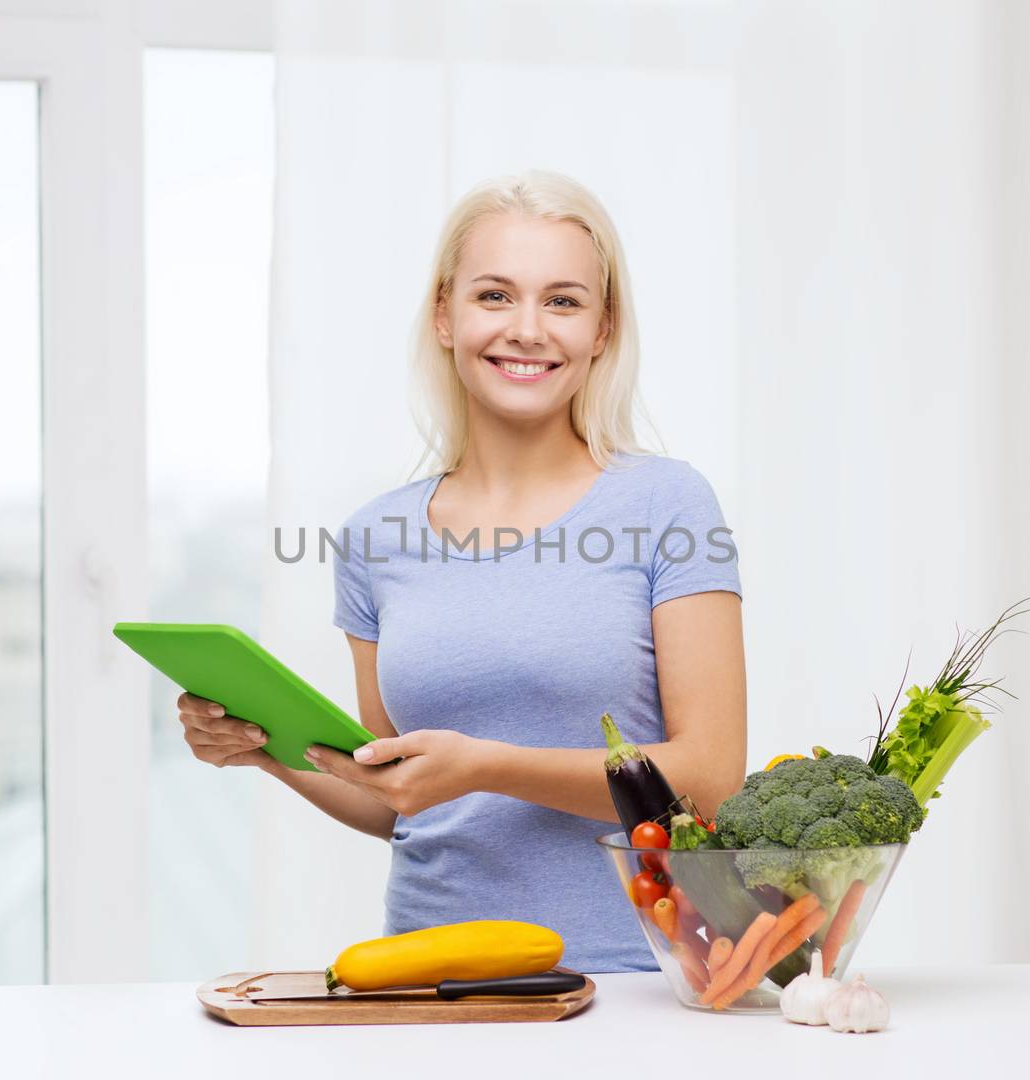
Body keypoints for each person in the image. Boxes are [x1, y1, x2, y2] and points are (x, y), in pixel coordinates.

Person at [177, 170, 746, 972]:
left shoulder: (668, 504)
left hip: (633, 975)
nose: (527, 328)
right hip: (426, 972)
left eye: (562, 300)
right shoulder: (374, 536)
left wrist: (485, 765)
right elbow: (398, 794)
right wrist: (262, 747)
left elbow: (711, 782)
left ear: (602, 330)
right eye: (493, 296)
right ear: (445, 316)